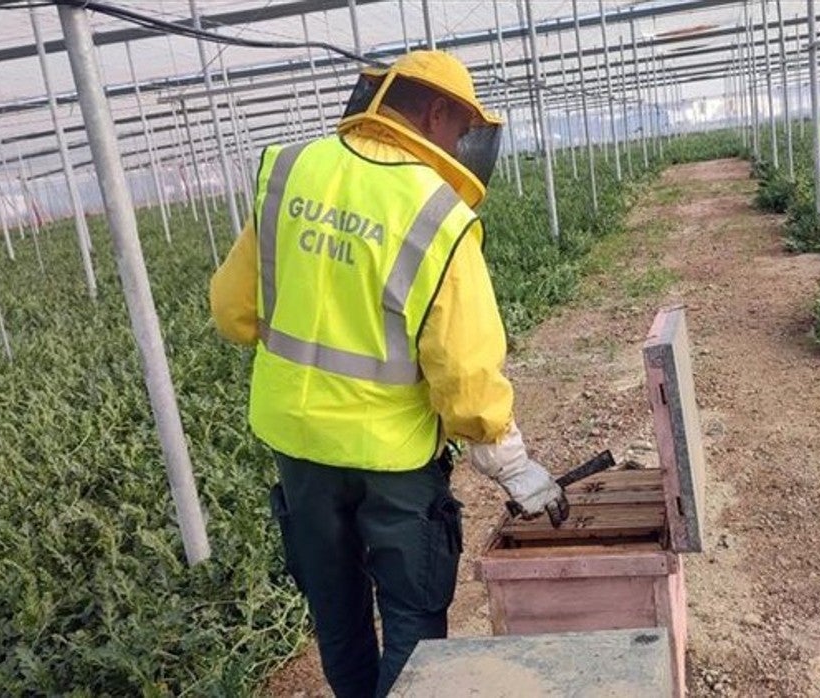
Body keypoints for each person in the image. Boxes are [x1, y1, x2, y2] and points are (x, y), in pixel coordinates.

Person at [208, 50, 569, 697]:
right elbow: (464, 371)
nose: (461, 146)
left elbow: (233, 313)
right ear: (436, 113)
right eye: (460, 131)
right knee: (412, 613)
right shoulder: (437, 214)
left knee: (337, 611)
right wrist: (513, 465)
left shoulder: (291, 170)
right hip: (392, 459)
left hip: (298, 449)